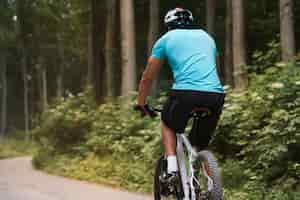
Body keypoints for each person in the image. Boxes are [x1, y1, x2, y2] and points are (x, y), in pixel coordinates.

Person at [135, 7, 225, 180]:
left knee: (168, 122)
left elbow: (147, 77)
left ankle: (172, 168)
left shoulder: (165, 39)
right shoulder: (207, 37)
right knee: (201, 145)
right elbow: (216, 67)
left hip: (185, 93)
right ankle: (213, 188)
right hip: (215, 95)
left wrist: (141, 102)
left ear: (168, 25)